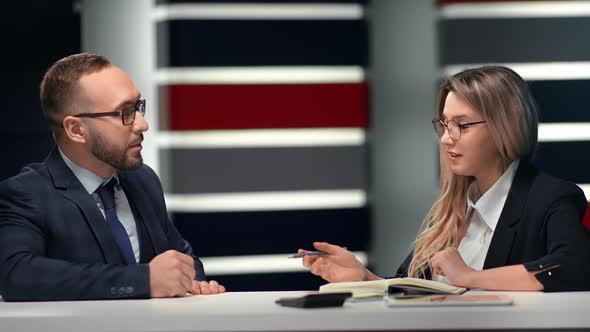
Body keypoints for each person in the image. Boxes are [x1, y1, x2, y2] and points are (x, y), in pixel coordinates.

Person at [300, 66, 590, 292]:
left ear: (506, 127)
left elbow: (571, 268)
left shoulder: (552, 197)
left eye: (461, 125)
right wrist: (365, 278)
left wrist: (470, 277)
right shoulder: (451, 211)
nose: (445, 139)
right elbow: (420, 292)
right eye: (444, 125)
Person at [0, 53, 225, 301]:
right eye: (125, 112)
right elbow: (16, 276)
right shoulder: (26, 194)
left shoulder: (143, 179)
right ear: (76, 130)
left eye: (138, 107)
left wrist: (194, 281)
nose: (142, 124)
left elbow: (182, 258)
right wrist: (144, 280)